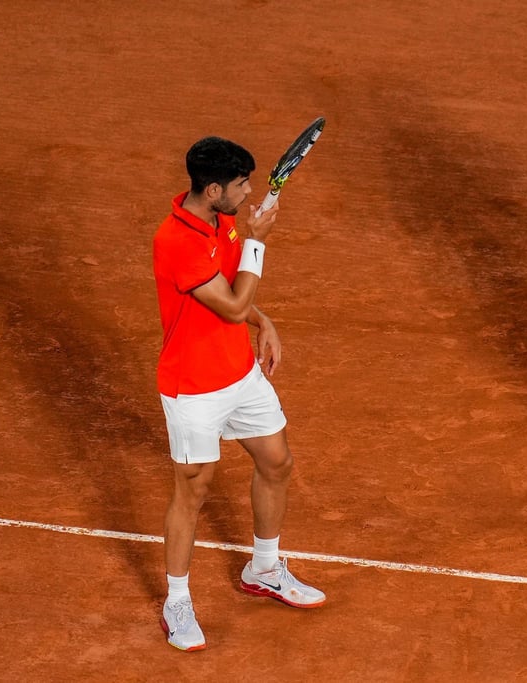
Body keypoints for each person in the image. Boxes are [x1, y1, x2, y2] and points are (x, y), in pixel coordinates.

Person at [152, 136, 325, 651]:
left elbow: (232, 293)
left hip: (240, 374)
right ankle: (177, 601)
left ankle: (264, 569)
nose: (249, 194)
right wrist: (258, 242)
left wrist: (263, 318)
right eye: (241, 185)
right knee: (194, 490)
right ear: (211, 189)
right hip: (193, 388)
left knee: (277, 461)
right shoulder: (174, 241)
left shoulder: (219, 219)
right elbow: (228, 305)